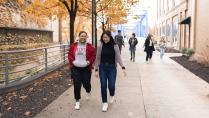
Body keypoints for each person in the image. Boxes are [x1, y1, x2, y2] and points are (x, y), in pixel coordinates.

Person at [95, 30, 126, 112]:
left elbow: (118, 57)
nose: (105, 39)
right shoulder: (100, 46)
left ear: (110, 37)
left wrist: (123, 67)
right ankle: (104, 103)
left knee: (111, 85)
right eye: (103, 37)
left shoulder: (115, 46)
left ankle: (112, 94)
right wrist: (96, 69)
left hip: (112, 68)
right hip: (102, 68)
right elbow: (97, 58)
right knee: (103, 85)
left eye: (106, 37)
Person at [68, 31, 96, 110]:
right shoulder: (74, 46)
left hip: (86, 68)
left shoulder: (90, 47)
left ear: (86, 37)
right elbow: (69, 54)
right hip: (75, 68)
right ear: (79, 37)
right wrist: (72, 61)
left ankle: (88, 90)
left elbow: (93, 55)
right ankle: (77, 101)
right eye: (81, 36)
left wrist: (89, 62)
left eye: (84, 36)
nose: (83, 37)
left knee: (86, 83)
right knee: (77, 84)